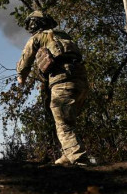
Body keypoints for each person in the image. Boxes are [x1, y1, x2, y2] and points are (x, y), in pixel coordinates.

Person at [16, 10, 91, 166]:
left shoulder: (38, 38)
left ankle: (78, 158)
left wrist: (21, 77)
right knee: (68, 120)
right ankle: (67, 155)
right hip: (81, 81)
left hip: (62, 81)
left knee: (63, 122)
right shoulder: (64, 36)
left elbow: (25, 62)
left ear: (34, 24)